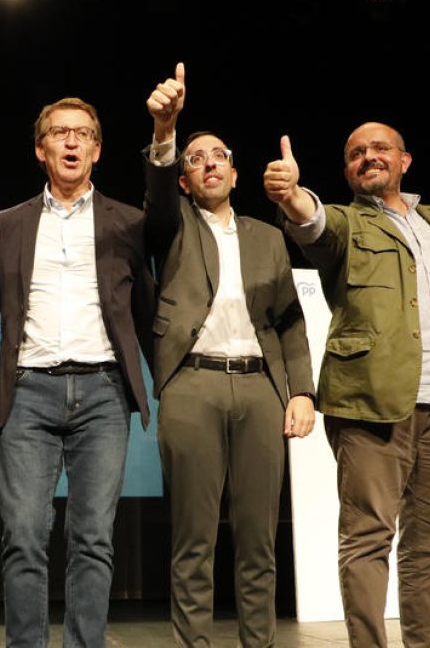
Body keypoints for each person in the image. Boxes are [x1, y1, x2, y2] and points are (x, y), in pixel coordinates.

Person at [264, 123, 430, 648]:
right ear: (346, 171)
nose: (369, 157)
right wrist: (292, 194)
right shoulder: (347, 222)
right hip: (370, 404)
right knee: (367, 539)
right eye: (356, 153)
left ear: (405, 160)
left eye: (380, 148)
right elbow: (312, 222)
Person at [0, 97, 153, 648]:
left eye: (82, 133)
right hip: (30, 393)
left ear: (97, 149)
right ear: (41, 149)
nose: (71, 141)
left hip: (103, 392)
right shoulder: (10, 222)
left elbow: (146, 311)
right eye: (60, 133)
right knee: (23, 535)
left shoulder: (128, 222)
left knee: (93, 538)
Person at [143, 63, 315, 647]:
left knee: (258, 542)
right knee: (194, 540)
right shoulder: (172, 225)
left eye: (219, 156)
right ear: (185, 180)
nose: (209, 163)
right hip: (193, 385)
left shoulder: (268, 237)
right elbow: (156, 196)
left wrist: (301, 391)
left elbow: (290, 320)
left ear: (236, 174)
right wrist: (167, 133)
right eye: (196, 159)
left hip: (261, 389)